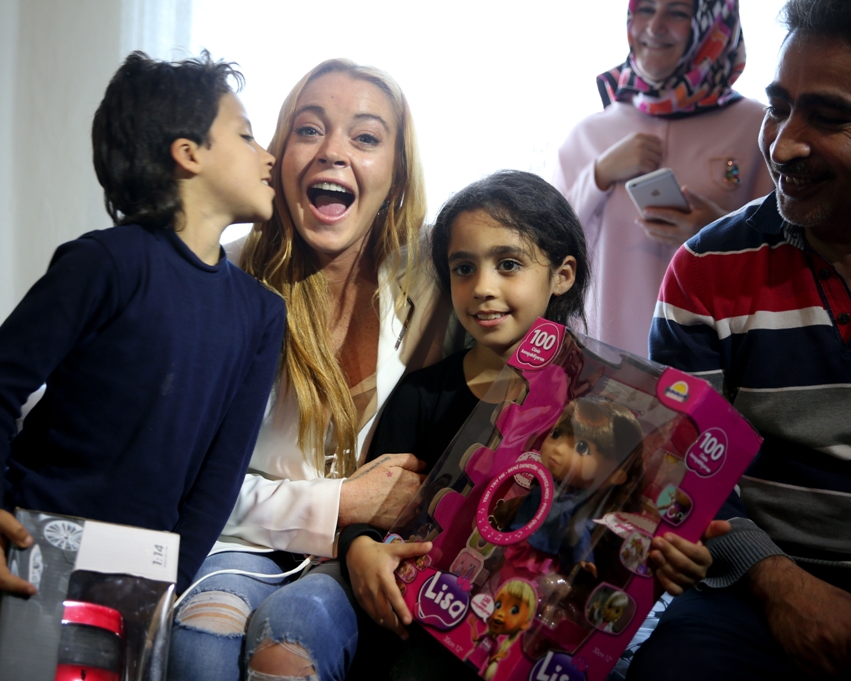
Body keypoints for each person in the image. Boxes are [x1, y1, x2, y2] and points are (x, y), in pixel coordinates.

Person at [0, 51, 286, 639]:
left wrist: (165, 584)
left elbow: (220, 474)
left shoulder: (261, 314)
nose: (269, 155)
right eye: (248, 135)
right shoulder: (104, 263)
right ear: (189, 154)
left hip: (137, 588)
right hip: (25, 551)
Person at [338, 171, 724, 680]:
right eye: (463, 268)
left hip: (548, 633)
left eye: (509, 264)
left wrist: (671, 556)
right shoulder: (422, 392)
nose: (483, 288)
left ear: (562, 275)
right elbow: (372, 504)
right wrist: (360, 550)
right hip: (430, 621)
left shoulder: (599, 403)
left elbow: (628, 524)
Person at [166, 59, 456, 681]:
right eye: (309, 130)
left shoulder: (443, 279)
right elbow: (182, 483)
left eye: (366, 137)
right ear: (278, 153)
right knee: (200, 642)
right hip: (237, 544)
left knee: (287, 648)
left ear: (399, 171)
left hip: (372, 560)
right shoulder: (225, 277)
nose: (332, 152)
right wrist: (343, 503)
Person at [631, 1, 851, 678]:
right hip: (752, 587)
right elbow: (684, 463)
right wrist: (780, 583)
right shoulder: (707, 270)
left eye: (829, 115)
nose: (783, 144)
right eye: (779, 105)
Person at [553, 0, 773, 356]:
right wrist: (599, 174)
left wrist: (716, 231)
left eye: (677, 12)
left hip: (715, 359)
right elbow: (543, 247)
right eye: (645, 9)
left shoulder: (757, 127)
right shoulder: (590, 133)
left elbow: (790, 253)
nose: (654, 26)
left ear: (714, 27)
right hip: (604, 364)